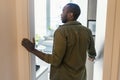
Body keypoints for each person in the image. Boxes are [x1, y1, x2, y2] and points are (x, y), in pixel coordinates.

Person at [21, 3, 96, 80]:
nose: (61, 14)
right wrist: (91, 56)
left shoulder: (61, 31)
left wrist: (33, 50)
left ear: (71, 15)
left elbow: (55, 60)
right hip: (80, 77)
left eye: (63, 11)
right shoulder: (87, 31)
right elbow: (92, 52)